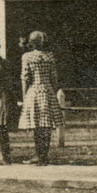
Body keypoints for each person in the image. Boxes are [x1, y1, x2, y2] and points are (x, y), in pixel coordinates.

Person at [17, 31, 64, 166]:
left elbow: (25, 78)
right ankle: (44, 156)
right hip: (48, 90)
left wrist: (24, 95)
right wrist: (52, 91)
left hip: (34, 91)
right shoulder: (49, 56)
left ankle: (39, 155)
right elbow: (54, 78)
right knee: (46, 125)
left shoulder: (27, 56)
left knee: (37, 124)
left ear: (32, 42)